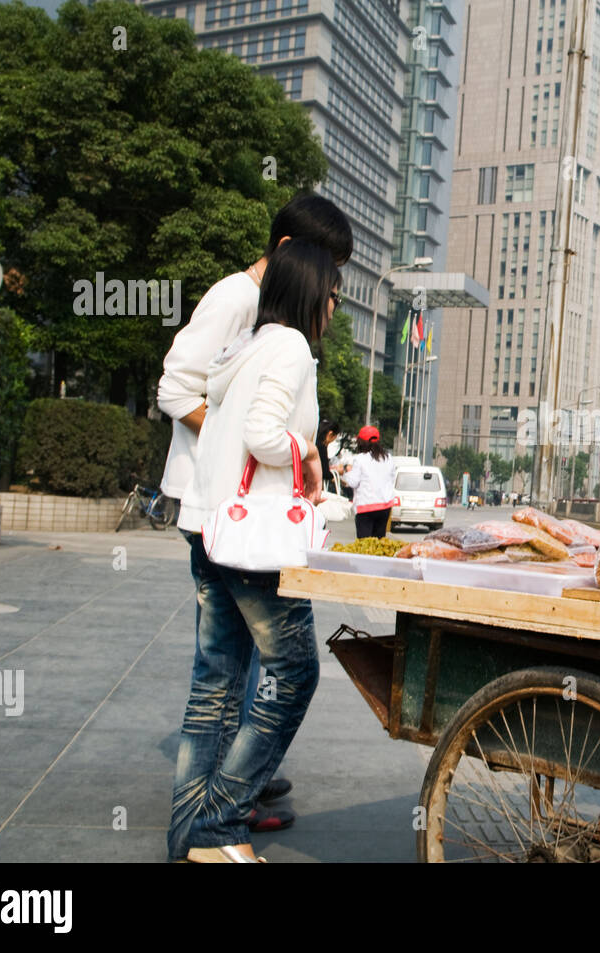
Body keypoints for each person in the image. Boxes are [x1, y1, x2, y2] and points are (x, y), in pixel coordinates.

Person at [157, 194, 352, 840]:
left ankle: (192, 835)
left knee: (214, 683)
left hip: (211, 522)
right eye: (332, 289)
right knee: (295, 674)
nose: (334, 304)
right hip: (252, 538)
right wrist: (307, 456)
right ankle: (218, 820)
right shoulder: (287, 344)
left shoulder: (246, 342)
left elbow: (224, 422)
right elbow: (262, 432)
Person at [342, 425, 396, 537]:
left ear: (361, 442)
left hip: (366, 507)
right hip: (384, 506)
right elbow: (391, 478)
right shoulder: (388, 458)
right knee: (379, 543)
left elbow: (353, 482)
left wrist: (345, 472)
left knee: (364, 544)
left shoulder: (360, 459)